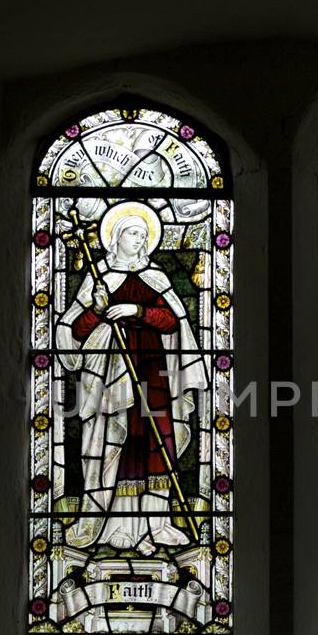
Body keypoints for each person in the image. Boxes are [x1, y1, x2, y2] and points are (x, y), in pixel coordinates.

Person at [56, 205, 208, 555]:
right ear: (115, 238)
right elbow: (76, 332)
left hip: (154, 369)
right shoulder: (101, 280)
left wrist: (136, 311)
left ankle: (158, 523)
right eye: (131, 233)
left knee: (159, 443)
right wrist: (97, 310)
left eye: (142, 234)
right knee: (119, 442)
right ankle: (117, 526)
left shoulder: (157, 278)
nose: (138, 240)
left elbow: (172, 322)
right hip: (112, 374)